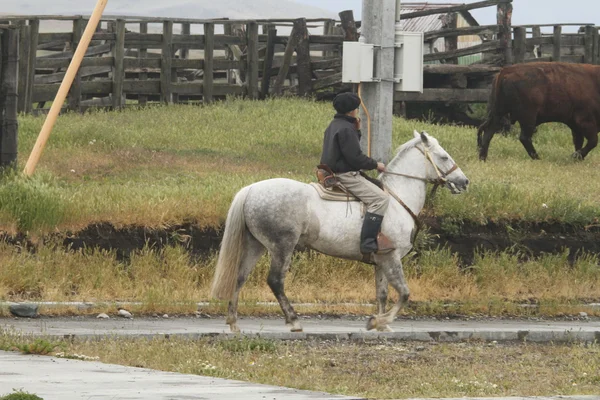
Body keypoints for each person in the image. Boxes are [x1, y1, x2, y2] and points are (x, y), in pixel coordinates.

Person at [319, 92, 394, 256]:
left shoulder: (335, 124)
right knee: (380, 199)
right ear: (351, 110)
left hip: (331, 171)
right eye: (356, 108)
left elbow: (348, 149)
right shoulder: (346, 129)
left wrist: (357, 131)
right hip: (345, 175)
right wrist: (376, 165)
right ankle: (368, 241)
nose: (357, 111)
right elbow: (355, 158)